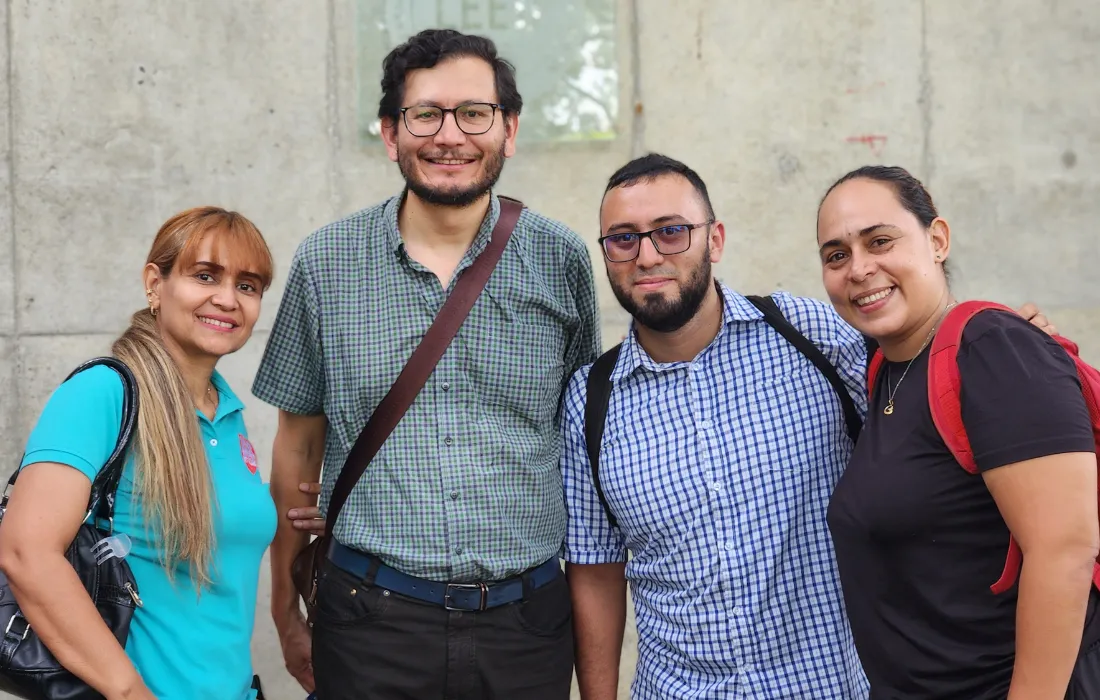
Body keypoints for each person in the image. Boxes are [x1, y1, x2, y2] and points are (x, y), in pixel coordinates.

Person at [560, 154, 1056, 700]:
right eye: (623, 239)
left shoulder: (810, 334)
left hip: (832, 686)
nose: (648, 254)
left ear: (715, 240)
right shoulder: (591, 397)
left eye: (672, 232)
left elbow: (921, 366)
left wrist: (1001, 345)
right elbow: (595, 570)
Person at [253, 29, 600, 699]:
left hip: (527, 623)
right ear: (391, 132)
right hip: (369, 622)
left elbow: (582, 437)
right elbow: (297, 445)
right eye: (426, 115)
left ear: (509, 129)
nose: (451, 136)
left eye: (474, 113)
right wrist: (283, 608)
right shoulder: (326, 264)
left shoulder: (560, 259)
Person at [817, 165, 1100, 699]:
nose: (859, 268)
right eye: (836, 255)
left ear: (937, 240)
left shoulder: (991, 348)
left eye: (880, 241)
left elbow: (1065, 550)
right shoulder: (886, 369)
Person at [0, 207, 280, 699]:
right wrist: (130, 692)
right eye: (205, 276)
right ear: (155, 283)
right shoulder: (103, 393)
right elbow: (26, 551)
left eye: (248, 285)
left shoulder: (228, 414)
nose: (227, 299)